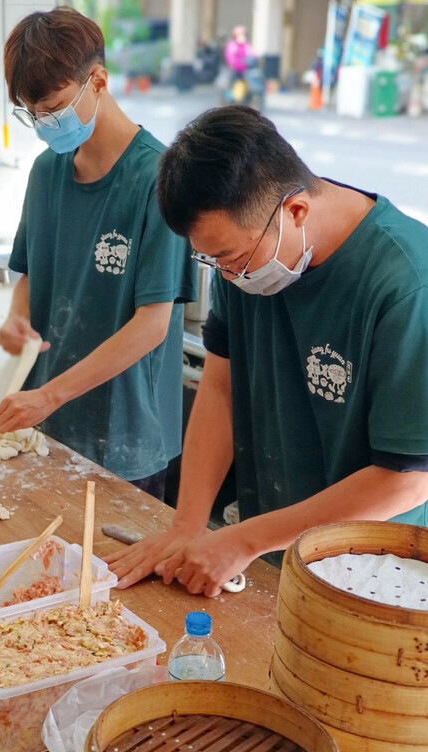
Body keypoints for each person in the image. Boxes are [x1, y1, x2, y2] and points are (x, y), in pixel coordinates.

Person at [108, 105, 428, 595]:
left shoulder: (406, 284)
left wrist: (242, 540)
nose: (228, 276)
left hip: (379, 573)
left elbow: (405, 480)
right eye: (212, 260)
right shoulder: (249, 254)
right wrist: (188, 527)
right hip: (271, 550)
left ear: (295, 210)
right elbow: (219, 387)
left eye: (232, 259)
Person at [0, 8, 195, 500]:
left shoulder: (159, 180)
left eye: (54, 108)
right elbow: (34, 271)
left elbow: (152, 325)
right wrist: (18, 316)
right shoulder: (46, 172)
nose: (43, 125)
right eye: (31, 113)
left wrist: (50, 394)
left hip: (125, 438)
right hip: (48, 424)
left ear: (97, 80)